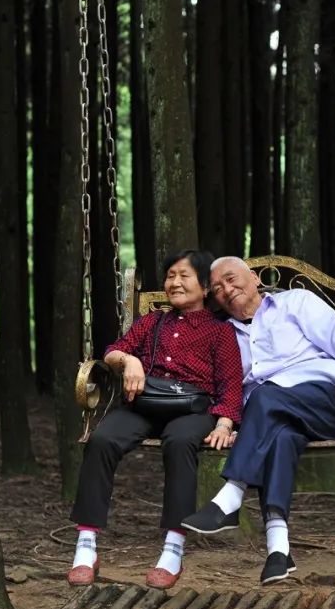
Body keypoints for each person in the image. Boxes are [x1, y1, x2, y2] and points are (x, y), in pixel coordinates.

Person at [181, 256, 335, 584]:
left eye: (231, 278)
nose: (226, 289)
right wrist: (237, 426)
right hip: (269, 415)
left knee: (264, 396)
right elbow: (225, 387)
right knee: (280, 437)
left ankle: (231, 496)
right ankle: (278, 551)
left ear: (255, 278)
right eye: (218, 288)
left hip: (322, 398)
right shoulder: (223, 334)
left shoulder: (295, 303)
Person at [68, 250, 243, 589]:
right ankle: (86, 546)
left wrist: (224, 423)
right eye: (170, 276)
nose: (174, 282)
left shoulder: (220, 332)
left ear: (205, 287)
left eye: (184, 276)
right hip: (144, 405)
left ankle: (173, 549)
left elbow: (231, 384)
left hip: (192, 410)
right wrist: (129, 361)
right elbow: (113, 351)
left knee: (179, 443)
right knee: (102, 440)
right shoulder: (152, 322)